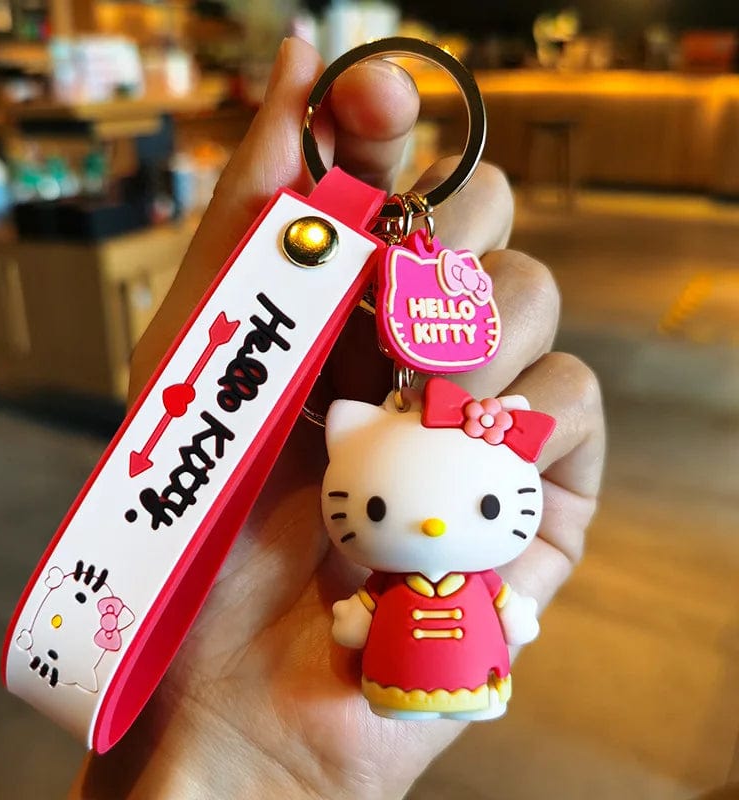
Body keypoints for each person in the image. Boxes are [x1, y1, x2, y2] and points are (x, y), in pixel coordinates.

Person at [71, 37, 605, 799]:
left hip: (461, 675)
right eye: (375, 510)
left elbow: (492, 610)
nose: (430, 526)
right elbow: (377, 614)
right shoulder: (361, 497)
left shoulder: (452, 572)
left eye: (492, 508)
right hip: (369, 669)